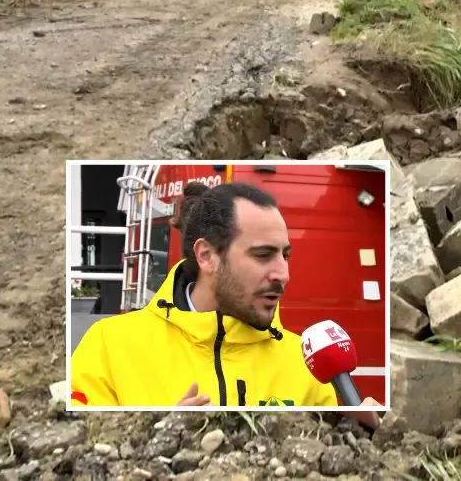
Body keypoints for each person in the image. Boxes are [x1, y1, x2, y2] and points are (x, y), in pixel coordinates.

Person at [70, 181, 380, 426]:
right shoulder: (108, 345)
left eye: (285, 255)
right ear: (207, 256)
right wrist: (153, 436)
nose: (283, 274)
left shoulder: (306, 365)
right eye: (263, 255)